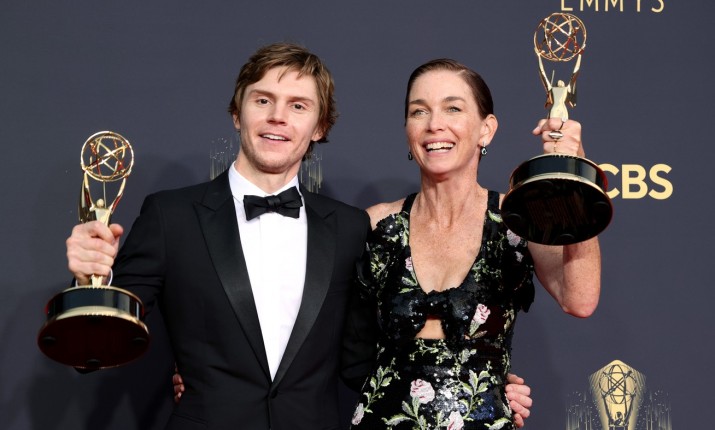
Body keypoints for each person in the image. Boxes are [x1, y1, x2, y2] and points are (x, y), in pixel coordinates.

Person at [66, 44, 533, 429]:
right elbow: (94, 349)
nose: (278, 117)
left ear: (319, 126)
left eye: (298, 106)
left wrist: (477, 383)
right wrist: (88, 283)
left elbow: (366, 360)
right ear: (237, 113)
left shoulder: (350, 227)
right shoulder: (171, 216)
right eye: (262, 100)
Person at [346, 59, 601, 429]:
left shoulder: (517, 220)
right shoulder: (375, 224)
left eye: (453, 108)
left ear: (486, 129)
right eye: (419, 111)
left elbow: (579, 298)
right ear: (407, 130)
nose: (434, 124)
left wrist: (575, 172)